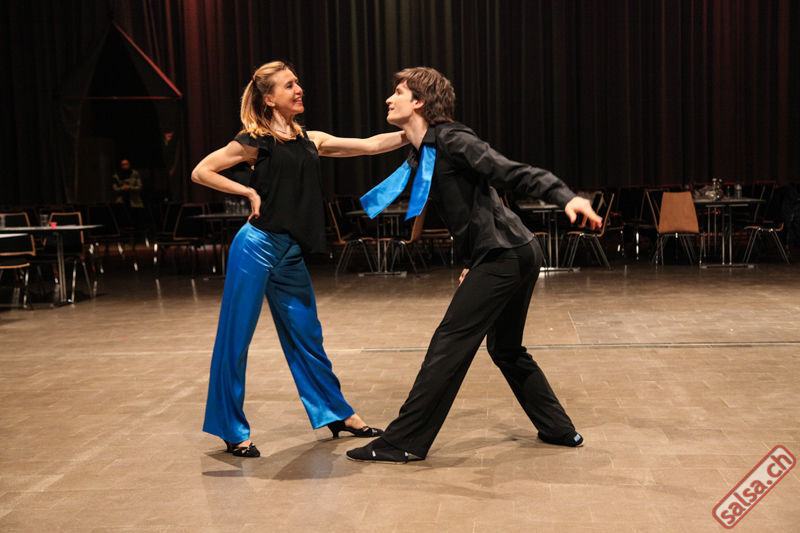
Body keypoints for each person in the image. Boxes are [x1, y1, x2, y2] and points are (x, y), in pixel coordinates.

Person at [347, 67, 602, 463]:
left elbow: (511, 171)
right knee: (506, 348)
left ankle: (403, 442)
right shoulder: (426, 149)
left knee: (448, 345)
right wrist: (470, 259)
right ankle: (558, 428)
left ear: (419, 102)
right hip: (513, 249)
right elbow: (467, 209)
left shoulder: (452, 139)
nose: (389, 99)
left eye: (398, 92)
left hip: (503, 254)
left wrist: (564, 196)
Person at [192, 61, 407, 457]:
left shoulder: (312, 139)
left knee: (309, 337)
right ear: (269, 98)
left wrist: (418, 131)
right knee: (235, 341)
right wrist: (248, 192)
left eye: (297, 83)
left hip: (289, 252)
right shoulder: (254, 141)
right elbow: (201, 171)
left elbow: (371, 145)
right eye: (289, 85)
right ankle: (230, 428)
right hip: (255, 247)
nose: (298, 89)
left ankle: (336, 413)